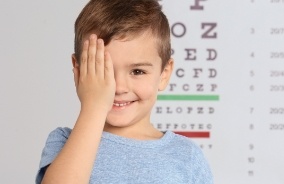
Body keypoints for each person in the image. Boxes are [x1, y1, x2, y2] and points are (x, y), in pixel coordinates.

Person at [36, 0, 213, 183]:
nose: (119, 87)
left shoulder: (186, 156)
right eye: (104, 71)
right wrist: (95, 106)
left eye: (138, 71)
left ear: (164, 74)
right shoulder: (64, 142)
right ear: (79, 70)